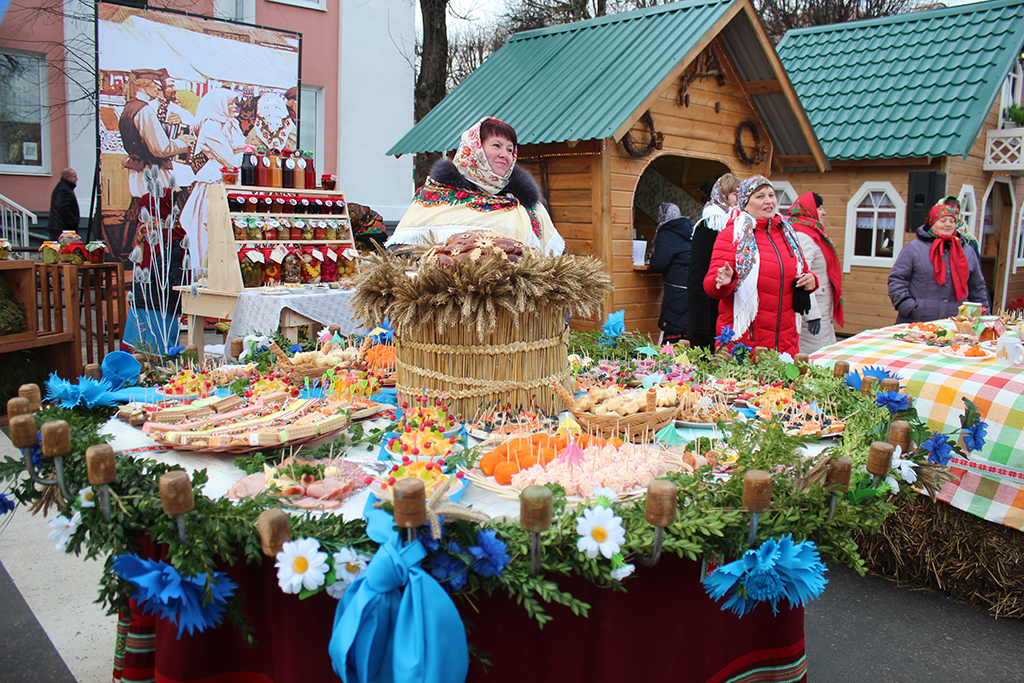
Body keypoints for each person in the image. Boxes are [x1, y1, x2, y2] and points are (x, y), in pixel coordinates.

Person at [386, 116, 564, 255]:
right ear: (474, 150)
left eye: (510, 149)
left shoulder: (528, 207)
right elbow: (400, 259)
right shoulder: (433, 199)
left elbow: (558, 265)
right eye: (497, 145)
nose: (505, 154)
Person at [703, 175, 817, 355]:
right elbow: (711, 287)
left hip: (785, 342)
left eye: (771, 195)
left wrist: (811, 280)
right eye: (760, 196)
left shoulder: (787, 235)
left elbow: (801, 270)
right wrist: (723, 281)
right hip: (746, 343)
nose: (769, 201)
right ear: (745, 203)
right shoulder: (732, 235)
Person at [112, 68, 194, 261]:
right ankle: (155, 253)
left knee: (140, 208)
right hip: (151, 170)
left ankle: (131, 251)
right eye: (156, 85)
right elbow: (160, 148)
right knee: (157, 209)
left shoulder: (129, 108)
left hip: (140, 170)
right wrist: (183, 142)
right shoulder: (144, 110)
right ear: (145, 85)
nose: (158, 89)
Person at [178, 89, 246, 274]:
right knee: (209, 231)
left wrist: (240, 151)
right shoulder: (210, 127)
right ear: (219, 105)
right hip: (215, 183)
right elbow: (229, 159)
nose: (235, 107)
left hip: (231, 182)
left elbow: (237, 152)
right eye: (231, 103)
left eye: (235, 103)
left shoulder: (231, 124)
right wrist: (242, 151)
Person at [888, 204, 987, 324]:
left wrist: (982, 315)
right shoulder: (914, 248)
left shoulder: (967, 251)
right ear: (932, 223)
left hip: (956, 323)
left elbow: (977, 286)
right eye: (943, 220)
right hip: (917, 321)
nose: (948, 224)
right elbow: (897, 280)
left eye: (952, 221)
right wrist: (908, 307)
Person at [688, 173, 740, 350]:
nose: (740, 199)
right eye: (735, 194)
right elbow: (697, 277)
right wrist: (700, 325)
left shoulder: (740, 226)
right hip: (710, 315)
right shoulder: (710, 225)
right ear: (723, 195)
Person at [789, 192, 843, 354]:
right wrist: (812, 315)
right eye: (819, 208)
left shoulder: (811, 233)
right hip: (814, 315)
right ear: (809, 210)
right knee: (815, 360)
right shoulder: (803, 236)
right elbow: (801, 274)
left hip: (821, 310)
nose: (824, 212)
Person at [649, 202, 693, 344]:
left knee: (674, 328)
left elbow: (658, 264)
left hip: (676, 288)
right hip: (691, 286)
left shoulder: (666, 233)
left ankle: (670, 363)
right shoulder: (690, 229)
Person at [48, 168, 80, 240]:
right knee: (63, 249)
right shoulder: (64, 190)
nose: (77, 179)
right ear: (67, 177)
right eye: (74, 176)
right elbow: (62, 207)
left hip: (59, 227)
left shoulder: (64, 188)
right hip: (62, 228)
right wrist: (72, 221)